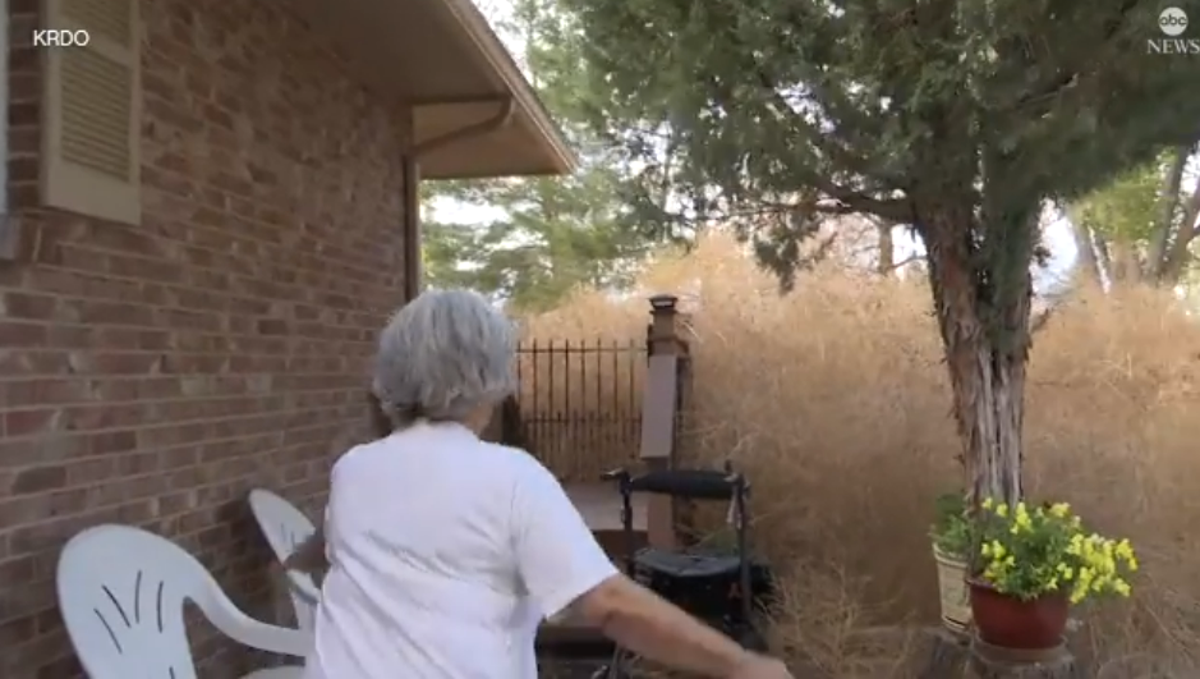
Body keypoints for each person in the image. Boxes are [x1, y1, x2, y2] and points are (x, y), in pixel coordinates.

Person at [301, 289, 793, 679]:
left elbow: (337, 544)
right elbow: (609, 605)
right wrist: (741, 664)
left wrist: (296, 556)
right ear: (490, 374)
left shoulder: (354, 468)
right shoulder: (511, 477)